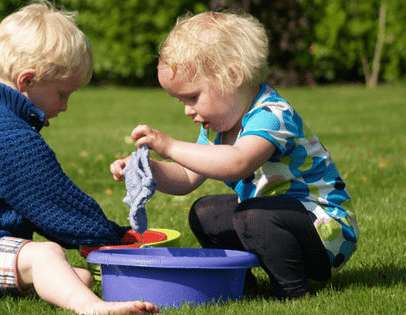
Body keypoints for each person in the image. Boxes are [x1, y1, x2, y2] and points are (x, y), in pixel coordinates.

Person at [0, 2, 160, 314]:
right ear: (27, 81)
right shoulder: (4, 133)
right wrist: (114, 237)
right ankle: (92, 309)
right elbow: (56, 203)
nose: (64, 106)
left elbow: (41, 207)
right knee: (46, 256)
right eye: (63, 94)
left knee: (77, 276)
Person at [110, 10, 359, 300]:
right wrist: (145, 168)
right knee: (205, 212)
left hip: (325, 230)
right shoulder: (218, 128)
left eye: (192, 97)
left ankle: (292, 291)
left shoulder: (272, 115)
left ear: (233, 76)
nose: (188, 111)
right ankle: (239, 284)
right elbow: (188, 177)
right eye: (181, 101)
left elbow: (237, 163)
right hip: (274, 220)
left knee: (251, 215)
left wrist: (169, 146)